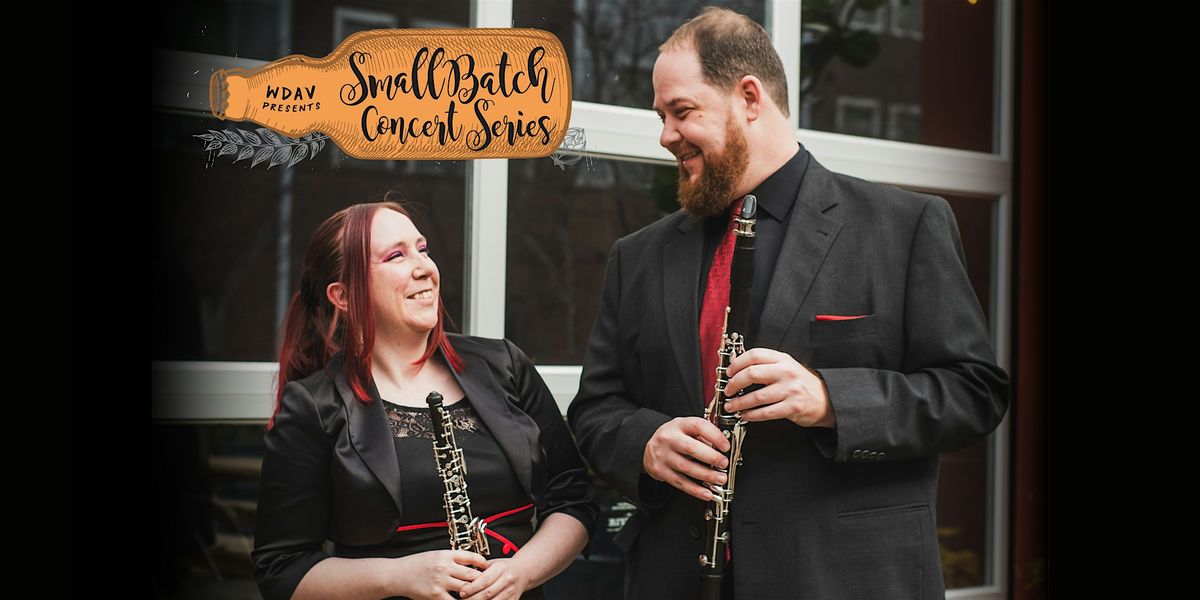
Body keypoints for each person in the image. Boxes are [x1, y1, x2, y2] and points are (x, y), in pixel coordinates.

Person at [567, 7, 1009, 600]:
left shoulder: (904, 226)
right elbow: (595, 409)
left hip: (843, 580)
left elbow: (974, 393)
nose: (666, 135)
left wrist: (829, 400)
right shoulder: (637, 256)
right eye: (660, 116)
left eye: (682, 111)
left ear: (749, 98)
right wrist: (644, 444)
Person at [253, 201, 597, 600]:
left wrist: (521, 573)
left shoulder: (505, 366)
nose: (424, 267)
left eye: (423, 249)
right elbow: (281, 568)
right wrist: (398, 576)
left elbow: (573, 499)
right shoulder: (315, 405)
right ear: (342, 295)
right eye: (396, 256)